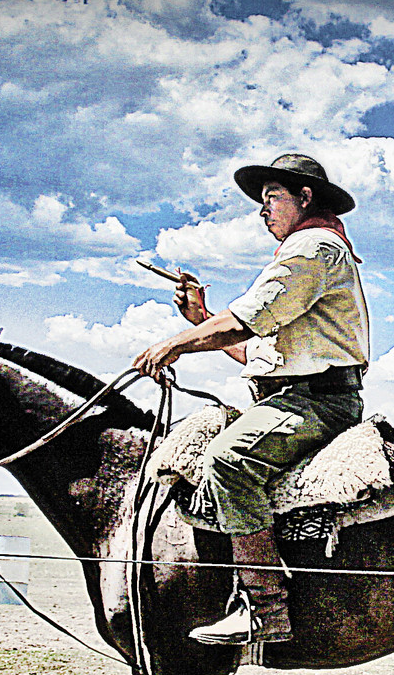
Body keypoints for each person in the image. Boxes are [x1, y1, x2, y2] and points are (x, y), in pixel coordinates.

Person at [133, 154, 370, 644]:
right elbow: (257, 352)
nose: (263, 211)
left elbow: (248, 320)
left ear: (306, 198)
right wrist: (201, 319)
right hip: (289, 398)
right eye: (262, 202)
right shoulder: (307, 250)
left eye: (272, 198)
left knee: (227, 460)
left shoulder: (315, 247)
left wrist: (176, 342)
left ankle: (264, 608)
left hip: (316, 403)